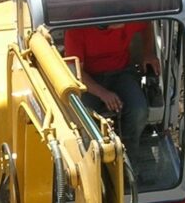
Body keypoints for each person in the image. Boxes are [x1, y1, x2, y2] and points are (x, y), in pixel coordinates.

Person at [63, 22, 160, 163]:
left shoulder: (127, 20)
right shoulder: (77, 30)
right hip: (89, 79)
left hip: (122, 74)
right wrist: (103, 93)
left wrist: (148, 52)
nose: (123, 20)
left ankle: (129, 154)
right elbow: (77, 73)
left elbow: (147, 25)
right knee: (84, 118)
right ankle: (91, 158)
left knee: (138, 110)